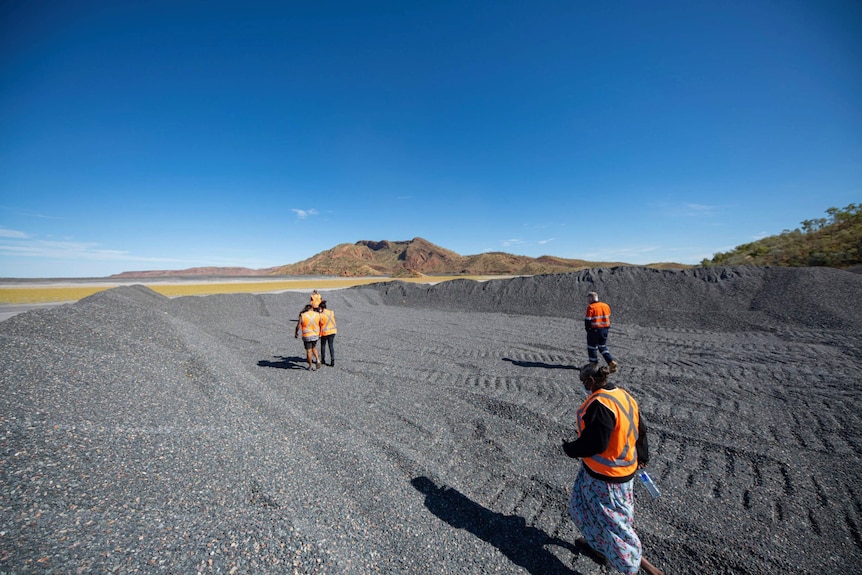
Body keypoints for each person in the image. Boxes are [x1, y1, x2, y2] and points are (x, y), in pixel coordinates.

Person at [561, 363, 665, 575]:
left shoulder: (599, 404)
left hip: (607, 479)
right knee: (583, 509)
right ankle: (599, 546)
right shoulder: (622, 395)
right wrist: (642, 457)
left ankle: (636, 568)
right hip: (609, 472)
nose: (583, 386)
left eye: (583, 382)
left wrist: (570, 448)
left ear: (590, 382)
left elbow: (596, 443)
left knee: (617, 528)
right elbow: (640, 428)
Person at [585, 291, 617, 373]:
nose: (588, 301)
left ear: (591, 298)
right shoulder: (606, 306)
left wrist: (588, 329)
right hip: (605, 329)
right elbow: (608, 316)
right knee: (602, 346)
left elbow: (588, 320)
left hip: (595, 330)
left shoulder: (591, 307)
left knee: (592, 348)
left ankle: (593, 366)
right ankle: (611, 361)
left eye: (588, 299)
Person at [294, 304, 321, 370]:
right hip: (315, 334)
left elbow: (298, 326)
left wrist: (296, 332)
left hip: (307, 335)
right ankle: (318, 360)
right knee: (314, 347)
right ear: (311, 308)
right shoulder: (317, 314)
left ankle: (310, 365)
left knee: (309, 351)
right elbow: (320, 323)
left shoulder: (303, 315)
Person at [318, 300, 337, 367]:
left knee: (323, 346)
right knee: (331, 346)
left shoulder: (321, 315)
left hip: (325, 332)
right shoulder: (331, 312)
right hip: (333, 331)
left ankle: (323, 359)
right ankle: (332, 360)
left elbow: (320, 324)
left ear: (321, 308)